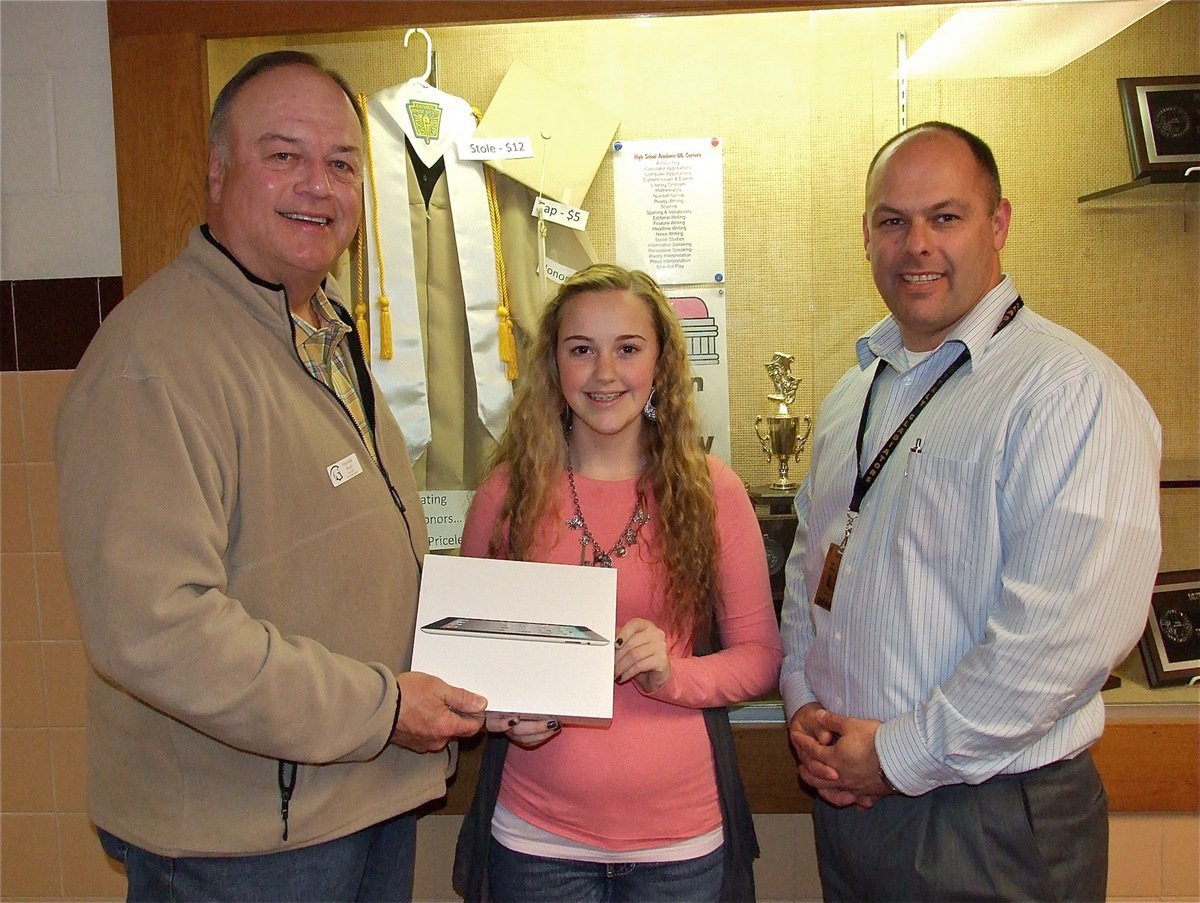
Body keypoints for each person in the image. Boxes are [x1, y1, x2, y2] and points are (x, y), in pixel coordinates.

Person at [54, 51, 488, 902]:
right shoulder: (157, 358)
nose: (317, 186)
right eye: (284, 155)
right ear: (217, 173)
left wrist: (488, 668)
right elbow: (157, 628)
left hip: (352, 802)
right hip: (243, 844)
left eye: (341, 163)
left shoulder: (322, 327)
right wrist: (382, 707)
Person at [779, 121, 1162, 902]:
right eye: (893, 220)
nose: (917, 243)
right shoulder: (855, 392)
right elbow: (809, 569)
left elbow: (1060, 639)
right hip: (851, 801)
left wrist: (896, 754)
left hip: (990, 818)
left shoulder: (1069, 393)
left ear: (999, 223)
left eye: (945, 217)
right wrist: (805, 701)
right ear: (866, 235)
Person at [451, 264, 783, 902]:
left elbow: (761, 659)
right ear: (554, 366)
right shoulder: (504, 495)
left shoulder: (713, 491)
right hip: (536, 841)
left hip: (682, 845)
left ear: (659, 363)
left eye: (627, 349)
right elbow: (465, 669)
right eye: (582, 350)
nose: (605, 374)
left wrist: (673, 675)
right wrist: (502, 716)